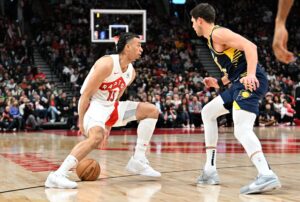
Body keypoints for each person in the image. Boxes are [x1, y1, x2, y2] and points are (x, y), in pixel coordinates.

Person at [45, 32, 161, 189]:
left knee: (151, 111)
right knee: (96, 138)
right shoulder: (106, 64)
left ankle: (138, 159)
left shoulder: (131, 72)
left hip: (110, 107)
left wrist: (110, 124)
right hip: (94, 107)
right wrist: (81, 122)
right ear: (127, 47)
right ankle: (58, 174)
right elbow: (85, 95)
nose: (141, 49)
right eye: (138, 45)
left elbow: (116, 99)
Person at [190, 3, 281, 194]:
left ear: (199, 20)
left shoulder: (218, 33)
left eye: (192, 22)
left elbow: (250, 46)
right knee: (208, 112)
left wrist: (251, 74)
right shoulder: (211, 40)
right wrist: (218, 82)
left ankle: (266, 174)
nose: (192, 26)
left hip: (249, 81)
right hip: (238, 82)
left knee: (241, 129)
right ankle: (210, 170)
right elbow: (234, 68)